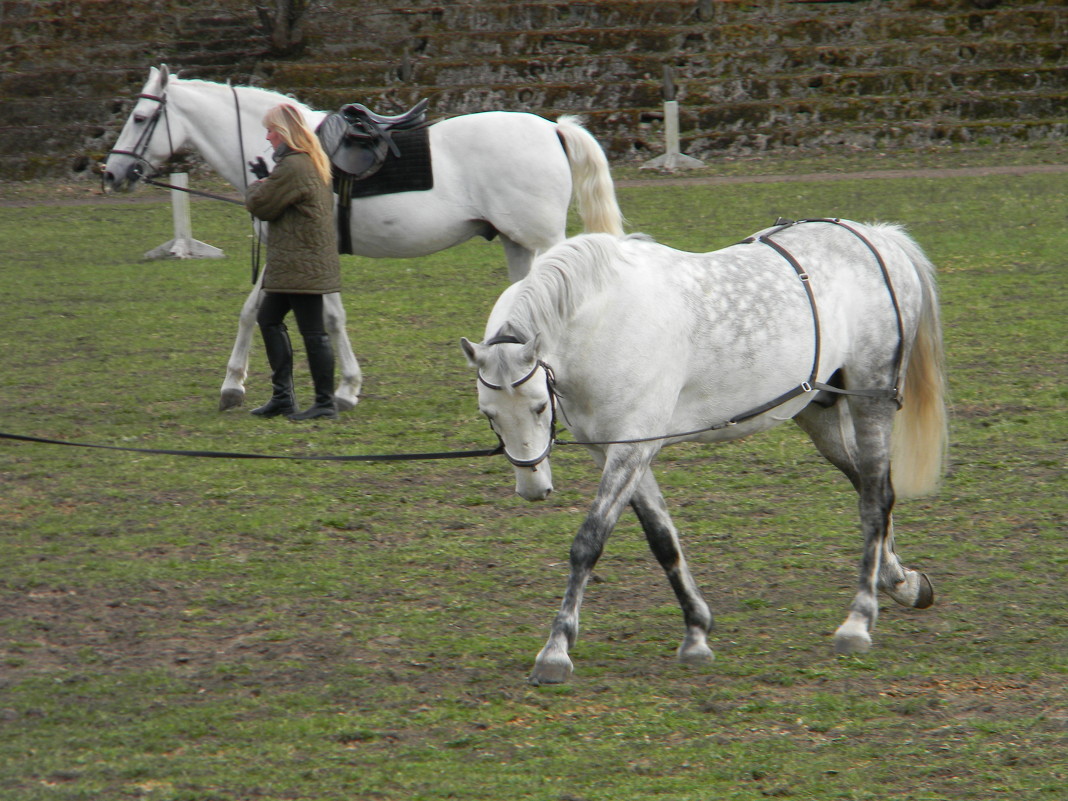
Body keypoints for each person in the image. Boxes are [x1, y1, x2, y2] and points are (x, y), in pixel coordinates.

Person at [245, 103, 341, 421]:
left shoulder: (294, 166)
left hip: (302, 265)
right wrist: (266, 184)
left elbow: (262, 205)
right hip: (299, 262)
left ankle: (325, 404)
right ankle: (283, 398)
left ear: (285, 133)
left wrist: (256, 186)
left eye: (271, 130)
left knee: (313, 332)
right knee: (269, 318)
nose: (268, 137)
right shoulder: (307, 160)